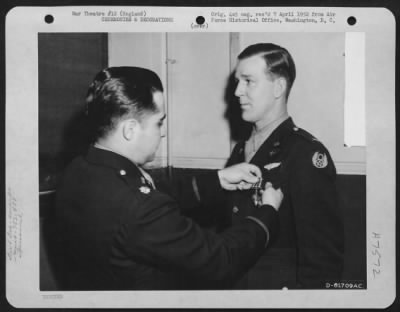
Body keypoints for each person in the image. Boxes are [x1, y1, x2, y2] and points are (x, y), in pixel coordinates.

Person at [53, 66, 283, 290]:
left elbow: (152, 194)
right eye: (159, 122)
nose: (163, 132)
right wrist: (267, 212)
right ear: (130, 130)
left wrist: (218, 179)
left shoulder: (80, 169)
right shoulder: (139, 207)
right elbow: (221, 259)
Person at [223, 43, 344, 289]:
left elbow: (322, 260)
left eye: (248, 81)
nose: (237, 91)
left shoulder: (305, 153)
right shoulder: (240, 150)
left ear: (278, 87)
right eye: (238, 81)